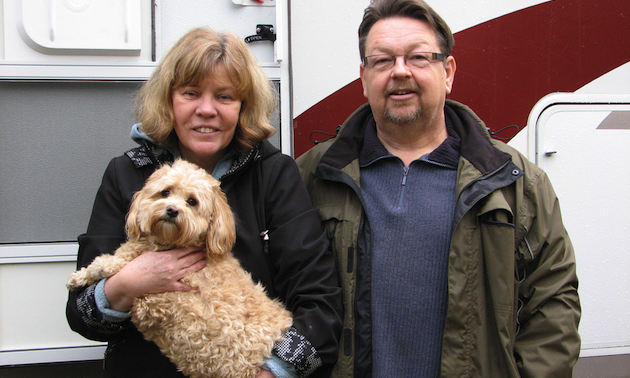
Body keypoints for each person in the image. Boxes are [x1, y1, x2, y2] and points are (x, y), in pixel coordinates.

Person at [296, 0, 581, 377]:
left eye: (418, 57)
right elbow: (280, 294)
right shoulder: (313, 176)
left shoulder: (514, 182)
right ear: (363, 77)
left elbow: (554, 299)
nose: (400, 72)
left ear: (447, 72)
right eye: (382, 60)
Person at [67, 27, 342, 378]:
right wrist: (128, 282)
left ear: (243, 106)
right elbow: (81, 315)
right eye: (191, 93)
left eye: (225, 97)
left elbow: (321, 304)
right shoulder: (127, 174)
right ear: (169, 99)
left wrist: (270, 374)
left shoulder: (274, 174)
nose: (206, 110)